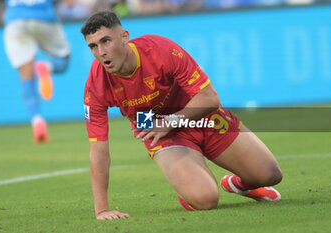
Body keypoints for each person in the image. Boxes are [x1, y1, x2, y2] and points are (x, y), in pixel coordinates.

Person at [81, 11, 283, 220]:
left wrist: (171, 120)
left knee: (270, 174)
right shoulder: (95, 85)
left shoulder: (160, 50)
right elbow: (98, 151)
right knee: (205, 200)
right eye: (93, 46)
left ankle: (237, 184)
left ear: (124, 37)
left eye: (106, 41)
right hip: (157, 131)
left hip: (199, 114)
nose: (101, 52)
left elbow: (209, 98)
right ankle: (190, 192)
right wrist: (102, 210)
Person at [3, 0, 71, 143]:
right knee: (63, 60)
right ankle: (47, 67)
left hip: (15, 20)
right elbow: (70, 3)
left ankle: (37, 119)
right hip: (44, 17)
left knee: (26, 76)